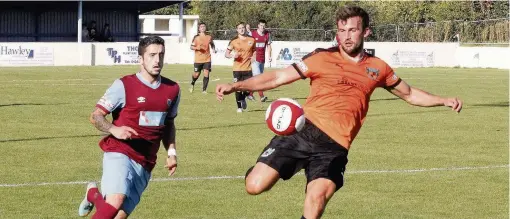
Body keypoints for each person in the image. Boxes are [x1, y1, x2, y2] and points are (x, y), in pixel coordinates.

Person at [216, 5, 462, 219]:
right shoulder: (321, 58)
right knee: (254, 186)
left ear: (365, 32)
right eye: (342, 31)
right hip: (302, 132)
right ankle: (260, 168)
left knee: (316, 201)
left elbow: (409, 94)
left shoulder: (378, 68)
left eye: (353, 30)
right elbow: (279, 76)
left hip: (334, 145)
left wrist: (443, 100)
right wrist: (237, 86)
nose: (346, 36)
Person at [77, 36, 181, 219]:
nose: (157, 60)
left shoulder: (173, 89)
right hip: (120, 151)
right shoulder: (123, 85)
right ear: (140, 59)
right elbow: (95, 116)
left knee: (117, 216)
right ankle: (94, 194)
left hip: (146, 161)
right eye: (152, 55)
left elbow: (169, 123)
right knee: (115, 201)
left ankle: (93, 194)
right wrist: (113, 129)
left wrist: (171, 153)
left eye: (161, 55)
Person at [224, 22, 256, 113]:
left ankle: (243, 98)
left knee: (249, 88)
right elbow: (226, 54)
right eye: (239, 28)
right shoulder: (233, 41)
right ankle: (239, 107)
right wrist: (233, 56)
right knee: (237, 88)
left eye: (243, 28)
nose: (242, 29)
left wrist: (254, 57)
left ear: (245, 29)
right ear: (237, 30)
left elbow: (254, 51)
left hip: (248, 68)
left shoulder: (252, 39)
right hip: (237, 69)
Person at [247, 19, 272, 102]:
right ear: (258, 26)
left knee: (257, 79)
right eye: (261, 25)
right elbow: (246, 43)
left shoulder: (267, 34)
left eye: (264, 26)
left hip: (262, 60)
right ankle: (262, 96)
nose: (262, 27)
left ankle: (250, 94)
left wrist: (270, 56)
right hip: (254, 59)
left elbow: (269, 46)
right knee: (259, 78)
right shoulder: (252, 34)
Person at [190, 22, 217, 93]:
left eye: (204, 26)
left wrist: (214, 49)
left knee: (206, 73)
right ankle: (192, 83)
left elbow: (212, 44)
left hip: (207, 59)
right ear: (199, 29)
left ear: (205, 28)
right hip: (198, 59)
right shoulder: (196, 37)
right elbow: (191, 47)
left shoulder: (209, 37)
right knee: (196, 74)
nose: (202, 28)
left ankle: (204, 90)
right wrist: (197, 47)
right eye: (201, 27)